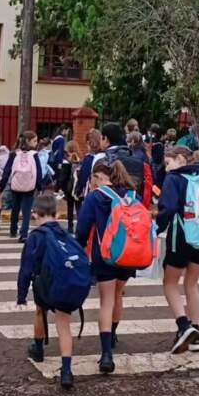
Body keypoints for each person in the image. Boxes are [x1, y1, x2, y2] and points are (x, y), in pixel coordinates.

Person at [76, 159, 138, 372]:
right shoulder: (131, 195)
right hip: (129, 254)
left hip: (105, 255)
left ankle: (106, 355)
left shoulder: (95, 198)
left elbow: (83, 229)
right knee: (119, 295)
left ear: (98, 177)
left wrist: (80, 248)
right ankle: (112, 335)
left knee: (106, 300)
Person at [156, 145, 199, 354]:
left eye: (168, 162)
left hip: (181, 237)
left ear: (181, 159)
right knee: (192, 284)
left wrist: (157, 227)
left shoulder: (174, 178)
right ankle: (196, 333)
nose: (166, 168)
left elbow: (168, 208)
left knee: (170, 282)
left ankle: (183, 326)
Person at [17, 194, 80, 390]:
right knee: (64, 324)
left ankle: (38, 348)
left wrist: (21, 294)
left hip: (43, 286)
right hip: (63, 284)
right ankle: (67, 370)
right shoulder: (65, 234)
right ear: (56, 213)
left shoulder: (35, 237)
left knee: (39, 311)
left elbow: (26, 269)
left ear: (35, 214)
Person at [0, 131, 42, 242]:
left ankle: (13, 230)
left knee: (15, 208)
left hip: (16, 186)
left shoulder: (14, 154)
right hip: (29, 187)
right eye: (35, 141)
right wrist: (39, 186)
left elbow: (7, 170)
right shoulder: (34, 154)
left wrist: (2, 184)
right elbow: (38, 171)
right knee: (26, 211)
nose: (36, 143)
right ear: (28, 141)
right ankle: (23, 234)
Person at [101, 121, 146, 199]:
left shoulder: (102, 157)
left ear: (105, 138)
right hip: (131, 204)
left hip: (108, 203)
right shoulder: (137, 159)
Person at [56, 140, 82, 233]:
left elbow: (63, 177)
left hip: (69, 187)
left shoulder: (66, 161)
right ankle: (80, 226)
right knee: (79, 207)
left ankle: (70, 227)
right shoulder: (80, 160)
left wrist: (60, 188)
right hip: (78, 187)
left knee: (70, 208)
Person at [75, 128, 103, 201]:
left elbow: (83, 177)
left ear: (88, 143)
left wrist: (78, 190)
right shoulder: (106, 155)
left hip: (90, 193)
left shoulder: (89, 158)